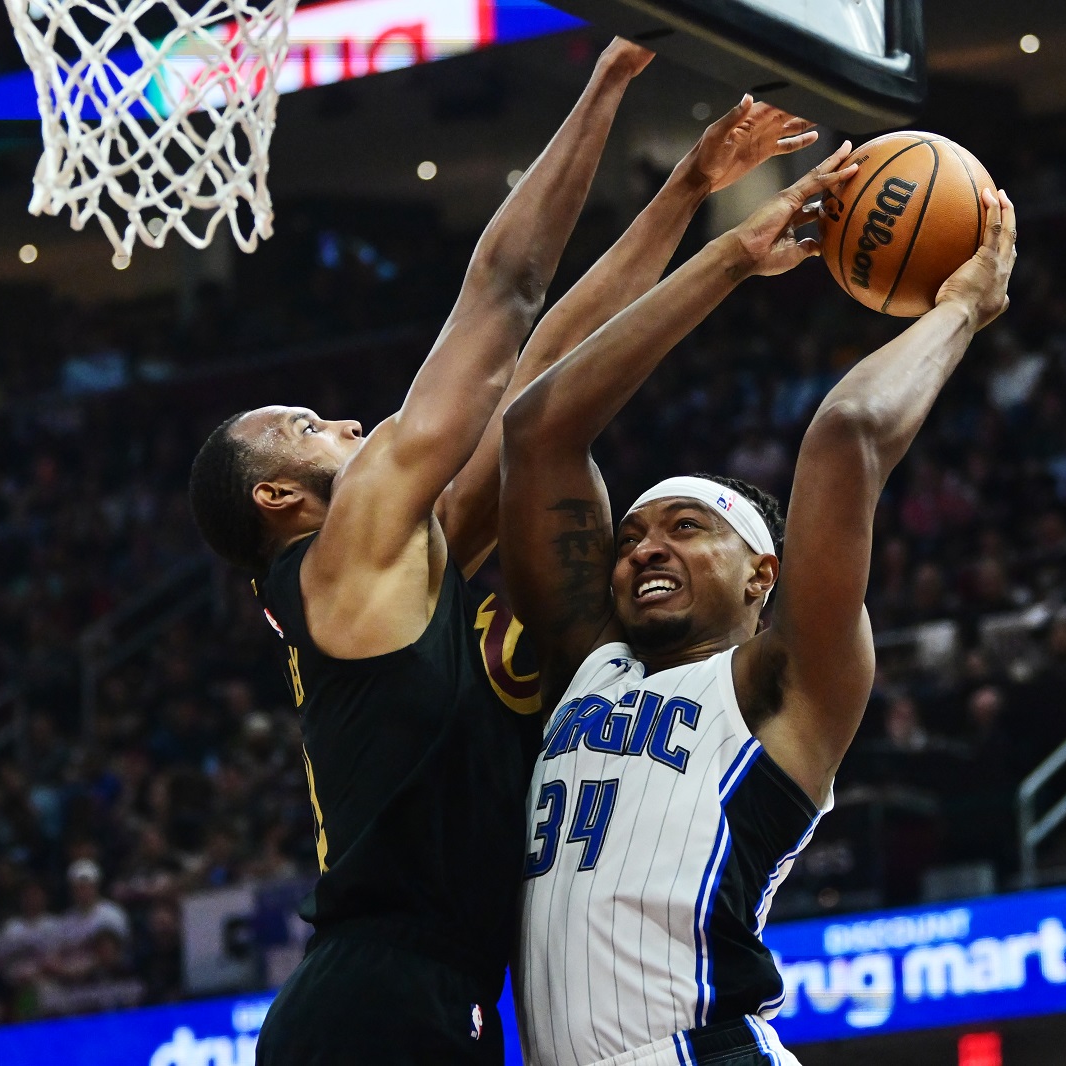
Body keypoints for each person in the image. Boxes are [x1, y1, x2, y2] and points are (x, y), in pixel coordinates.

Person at [188, 41, 817, 1063]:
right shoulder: (339, 559)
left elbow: (547, 375)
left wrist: (689, 193)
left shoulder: (397, 563)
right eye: (307, 426)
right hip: (380, 999)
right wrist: (610, 77)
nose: (344, 420)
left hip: (438, 997)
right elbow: (505, 293)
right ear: (277, 497)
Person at [499, 146, 1016, 1065]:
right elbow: (538, 428)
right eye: (631, 538)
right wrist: (730, 253)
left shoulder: (782, 685)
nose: (646, 546)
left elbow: (848, 432)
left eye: (688, 526)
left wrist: (962, 309)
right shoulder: (590, 662)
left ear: (761, 576)